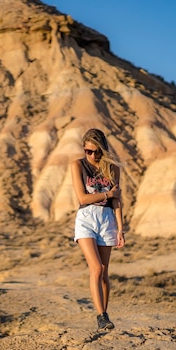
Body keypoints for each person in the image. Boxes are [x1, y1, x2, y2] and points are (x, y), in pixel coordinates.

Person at [70, 128, 125, 331]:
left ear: (103, 150)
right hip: (86, 219)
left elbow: (117, 200)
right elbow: (82, 198)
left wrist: (120, 229)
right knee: (96, 268)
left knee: (104, 273)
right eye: (88, 151)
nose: (91, 155)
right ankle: (101, 317)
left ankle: (105, 314)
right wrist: (108, 195)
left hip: (107, 219)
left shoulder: (112, 169)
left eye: (95, 151)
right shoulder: (77, 165)